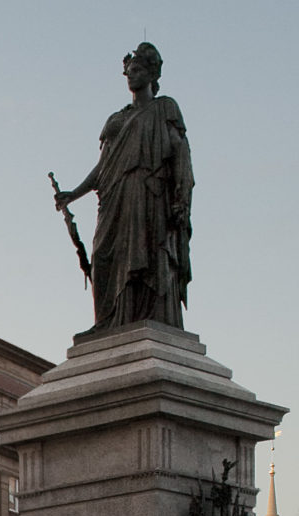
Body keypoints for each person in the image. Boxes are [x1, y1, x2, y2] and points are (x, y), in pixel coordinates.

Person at [55, 42, 194, 333]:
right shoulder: (116, 120)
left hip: (148, 192)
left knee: (144, 255)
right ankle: (108, 320)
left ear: (152, 74)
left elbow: (180, 152)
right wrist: (74, 193)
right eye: (129, 71)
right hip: (114, 196)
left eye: (138, 70)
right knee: (102, 254)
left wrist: (181, 199)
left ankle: (146, 317)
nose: (132, 75)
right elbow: (103, 167)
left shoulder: (165, 108)